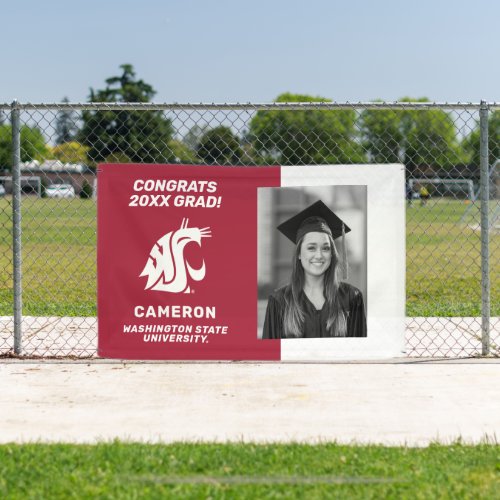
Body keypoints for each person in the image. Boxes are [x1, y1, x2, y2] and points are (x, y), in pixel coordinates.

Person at [262, 200, 367, 339]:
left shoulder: (351, 298)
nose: (319, 255)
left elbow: (359, 352)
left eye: (325, 248)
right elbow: (271, 356)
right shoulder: (279, 302)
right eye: (311, 248)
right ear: (299, 253)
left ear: (332, 254)